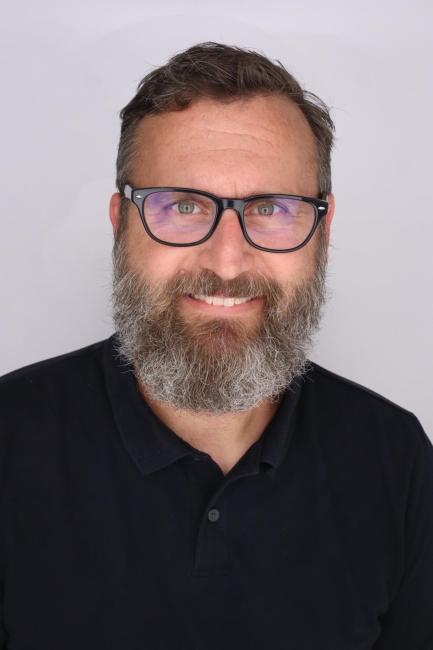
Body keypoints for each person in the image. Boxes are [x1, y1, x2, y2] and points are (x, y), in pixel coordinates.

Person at [0, 42, 431, 650]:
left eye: (270, 209)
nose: (227, 262)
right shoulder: (9, 440)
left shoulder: (397, 458)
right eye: (181, 205)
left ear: (323, 231)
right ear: (120, 225)